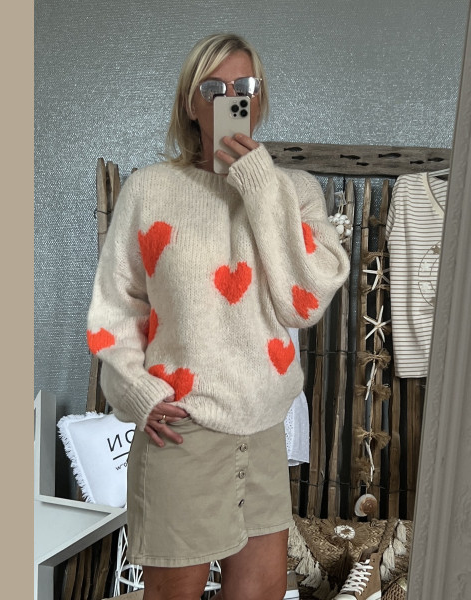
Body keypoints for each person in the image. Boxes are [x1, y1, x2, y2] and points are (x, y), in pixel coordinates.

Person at [86, 33, 350, 600]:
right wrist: (136, 389)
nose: (233, 98)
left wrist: (258, 183)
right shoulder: (150, 190)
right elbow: (117, 304)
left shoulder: (295, 192)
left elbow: (304, 300)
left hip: (263, 430)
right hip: (182, 431)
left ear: (260, 97)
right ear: (191, 102)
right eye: (214, 88)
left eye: (245, 86)